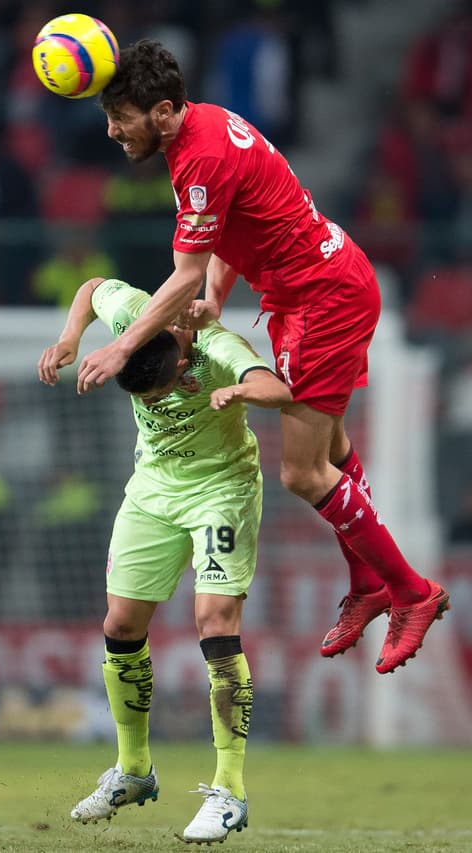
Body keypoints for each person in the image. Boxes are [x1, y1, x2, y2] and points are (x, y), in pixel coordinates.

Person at [73, 39, 448, 674]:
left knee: (302, 472)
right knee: (329, 450)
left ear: (162, 112)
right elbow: (224, 243)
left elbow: (184, 274)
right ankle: (369, 586)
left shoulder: (198, 159)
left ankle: (413, 591)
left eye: (121, 118)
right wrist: (218, 300)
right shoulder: (208, 125)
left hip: (320, 299)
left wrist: (122, 344)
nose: (111, 130)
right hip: (320, 282)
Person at [39, 275, 292, 843]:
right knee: (121, 625)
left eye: (157, 391)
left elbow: (279, 390)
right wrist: (71, 337)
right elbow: (90, 287)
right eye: (142, 398)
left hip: (220, 490)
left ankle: (230, 790)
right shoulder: (133, 313)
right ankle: (133, 770)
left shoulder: (219, 347)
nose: (151, 402)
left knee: (215, 622)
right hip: (153, 488)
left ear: (183, 364)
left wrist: (242, 392)